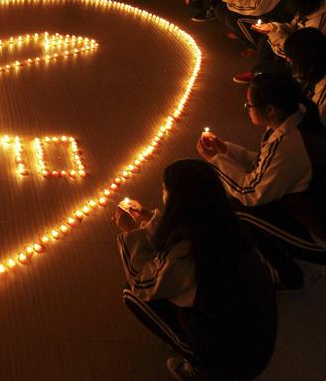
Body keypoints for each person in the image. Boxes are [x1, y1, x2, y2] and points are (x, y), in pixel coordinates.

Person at [115, 159, 276, 380]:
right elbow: (174, 237)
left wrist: (132, 232)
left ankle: (199, 366)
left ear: (178, 201)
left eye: (164, 189)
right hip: (259, 341)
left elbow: (142, 283)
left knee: (132, 294)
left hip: (232, 361)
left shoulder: (187, 255)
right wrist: (149, 218)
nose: (161, 193)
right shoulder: (226, 226)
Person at [198, 72, 326, 289]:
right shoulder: (294, 121)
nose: (247, 109)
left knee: (238, 207)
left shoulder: (288, 143)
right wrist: (226, 151)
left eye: (249, 105)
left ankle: (282, 273)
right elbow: (263, 165)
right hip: (305, 203)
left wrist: (216, 160)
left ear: (270, 109)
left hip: (319, 231)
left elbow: (250, 192)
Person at [256, 0, 326, 59]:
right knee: (267, 36)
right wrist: (273, 27)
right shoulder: (309, 5)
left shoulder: (318, 23)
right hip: (296, 49)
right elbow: (294, 28)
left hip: (304, 63)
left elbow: (298, 54)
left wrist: (273, 33)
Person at [284, 28, 326, 125]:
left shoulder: (323, 89)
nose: (287, 59)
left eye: (291, 57)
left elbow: (315, 121)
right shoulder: (317, 67)